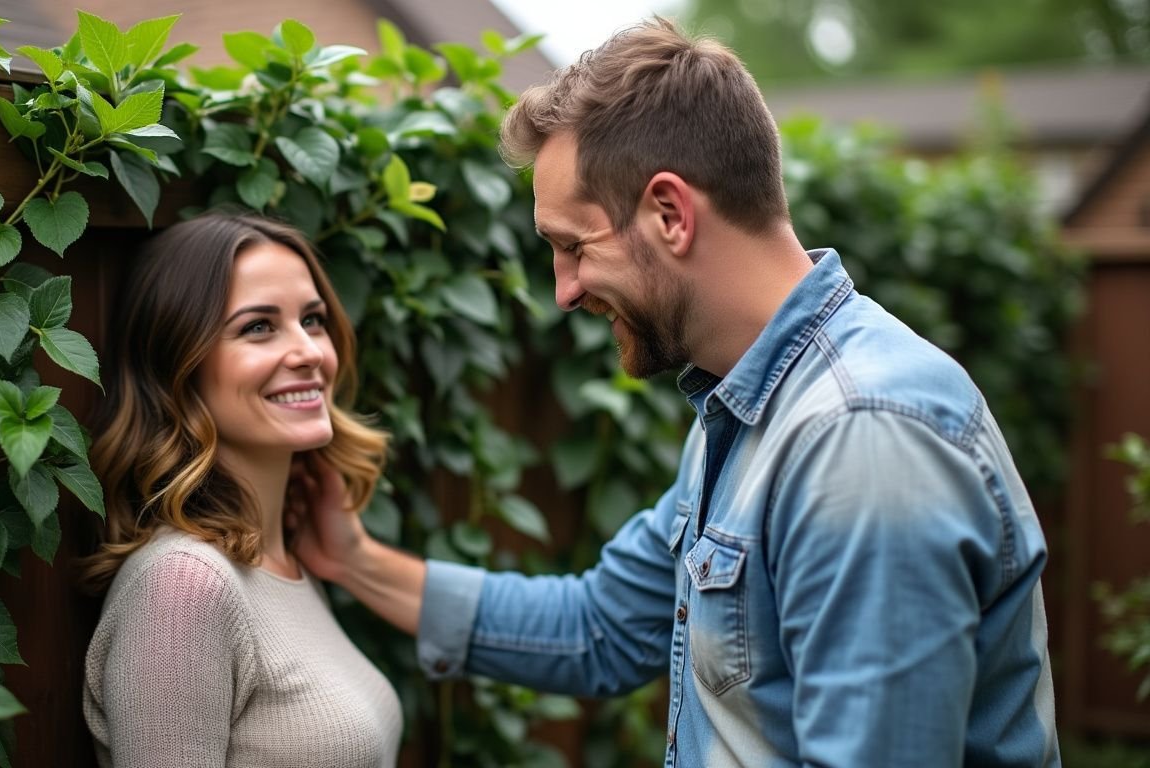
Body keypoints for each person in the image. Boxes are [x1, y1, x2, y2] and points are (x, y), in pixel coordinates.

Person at [294, 18, 1060, 767]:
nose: (562, 292)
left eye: (572, 246)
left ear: (670, 212)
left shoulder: (860, 440)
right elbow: (603, 627)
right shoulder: (745, 406)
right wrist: (354, 557)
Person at [80, 213, 402, 768]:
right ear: (179, 366)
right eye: (258, 327)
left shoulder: (283, 560)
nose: (308, 353)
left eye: (314, 320)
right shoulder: (182, 588)